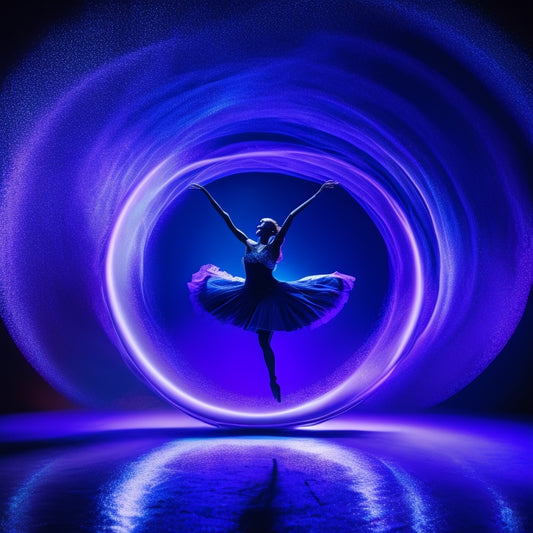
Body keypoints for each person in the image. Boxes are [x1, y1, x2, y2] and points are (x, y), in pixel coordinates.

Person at [188, 180, 355, 402]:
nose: (258, 224)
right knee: (262, 341)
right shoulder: (249, 244)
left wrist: (319, 192)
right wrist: (206, 193)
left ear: (270, 230)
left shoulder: (273, 247)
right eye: (259, 222)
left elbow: (291, 217)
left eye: (263, 223)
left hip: (270, 297)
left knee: (264, 342)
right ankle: (272, 380)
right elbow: (227, 219)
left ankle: (273, 380)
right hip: (248, 293)